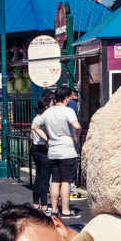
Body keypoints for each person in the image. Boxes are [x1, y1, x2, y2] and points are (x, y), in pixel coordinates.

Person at [38, 85, 81, 219]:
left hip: (53, 151)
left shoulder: (48, 112)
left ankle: (54, 210)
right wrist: (76, 137)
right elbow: (77, 126)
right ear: (66, 98)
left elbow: (35, 126)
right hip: (67, 150)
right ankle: (66, 211)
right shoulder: (68, 111)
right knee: (66, 181)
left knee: (55, 181)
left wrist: (47, 138)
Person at [29, 97, 51, 212]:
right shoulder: (43, 120)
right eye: (51, 104)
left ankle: (36, 203)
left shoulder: (36, 118)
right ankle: (44, 204)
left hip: (35, 148)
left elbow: (31, 136)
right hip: (43, 148)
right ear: (46, 107)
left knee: (38, 176)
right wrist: (48, 140)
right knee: (44, 178)